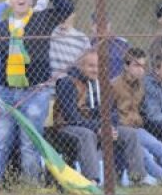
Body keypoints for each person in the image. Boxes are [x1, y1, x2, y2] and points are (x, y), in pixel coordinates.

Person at [0, 0, 74, 183]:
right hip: (5, 93)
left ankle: (31, 185)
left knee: (29, 142)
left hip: (35, 92)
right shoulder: (3, 26)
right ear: (11, 2)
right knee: (1, 140)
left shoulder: (42, 19)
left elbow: (67, 8)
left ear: (31, 1)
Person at [54, 50, 150, 185]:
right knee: (87, 135)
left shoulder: (103, 84)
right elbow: (71, 117)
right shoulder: (67, 82)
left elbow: (113, 112)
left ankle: (138, 178)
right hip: (67, 127)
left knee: (130, 134)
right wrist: (100, 128)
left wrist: (111, 127)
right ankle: (91, 181)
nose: (96, 70)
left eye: (99, 66)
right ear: (80, 65)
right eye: (91, 66)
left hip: (98, 127)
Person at [111, 48, 162, 184]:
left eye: (143, 66)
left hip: (137, 128)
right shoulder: (114, 85)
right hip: (120, 129)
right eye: (136, 65)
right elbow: (108, 112)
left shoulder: (141, 84)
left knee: (160, 147)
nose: (141, 70)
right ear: (126, 66)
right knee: (144, 154)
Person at [48, 11, 90, 81]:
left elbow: (88, 63)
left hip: (74, 81)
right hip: (53, 83)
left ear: (73, 15)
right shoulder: (50, 34)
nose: (63, 18)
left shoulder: (82, 38)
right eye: (60, 15)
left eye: (66, 15)